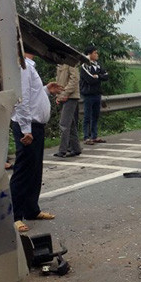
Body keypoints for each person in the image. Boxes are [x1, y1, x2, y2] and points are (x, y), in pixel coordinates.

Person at [10, 53, 63, 232]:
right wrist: (26, 129)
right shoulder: (22, 66)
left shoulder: (28, 66)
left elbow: (32, 94)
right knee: (24, 171)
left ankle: (31, 210)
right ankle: (15, 215)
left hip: (35, 126)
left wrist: (46, 90)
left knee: (34, 170)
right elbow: (22, 99)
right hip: (28, 126)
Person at [80, 46, 108, 145]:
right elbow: (90, 79)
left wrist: (98, 76)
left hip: (97, 93)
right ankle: (86, 137)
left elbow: (106, 76)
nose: (97, 55)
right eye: (95, 53)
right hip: (88, 94)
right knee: (87, 116)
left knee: (95, 116)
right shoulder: (85, 65)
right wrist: (98, 77)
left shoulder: (98, 65)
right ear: (90, 54)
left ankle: (94, 136)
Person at [53, 63, 82, 158]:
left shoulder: (71, 63)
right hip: (63, 96)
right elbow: (58, 82)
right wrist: (58, 96)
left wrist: (65, 93)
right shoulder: (59, 64)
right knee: (71, 124)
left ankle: (63, 150)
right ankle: (76, 148)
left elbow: (74, 80)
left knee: (64, 124)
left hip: (71, 97)